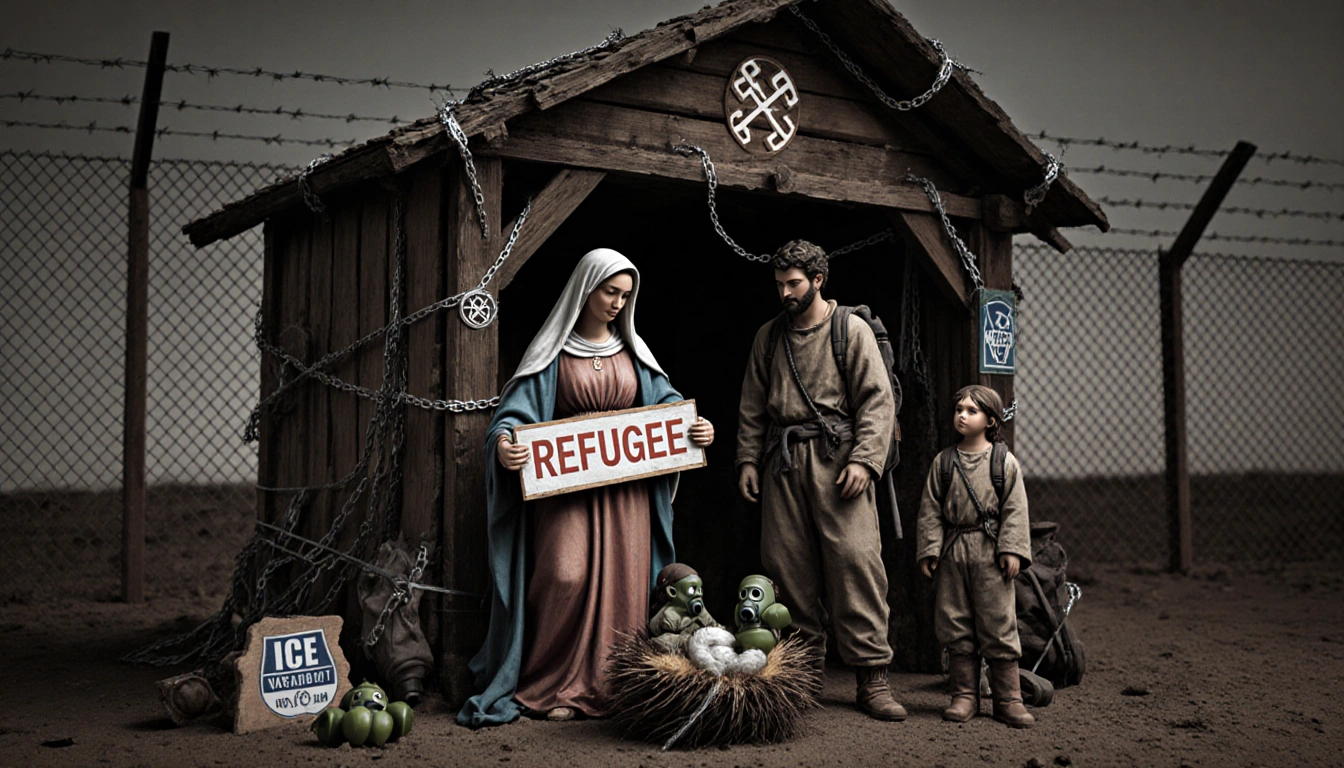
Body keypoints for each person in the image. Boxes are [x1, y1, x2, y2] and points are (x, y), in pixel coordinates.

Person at [457, 248, 714, 727]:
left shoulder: (634, 353)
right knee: (564, 574)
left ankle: (618, 684)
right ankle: (553, 683)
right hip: (566, 490)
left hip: (625, 495)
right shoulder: (552, 353)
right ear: (585, 289)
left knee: (626, 585)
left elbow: (669, 407)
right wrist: (505, 446)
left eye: (625, 295)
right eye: (610, 291)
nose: (618, 303)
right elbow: (511, 419)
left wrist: (697, 429)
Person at [735, 239, 905, 721]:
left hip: (839, 461)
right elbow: (751, 406)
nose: (785, 293)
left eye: (794, 283)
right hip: (783, 463)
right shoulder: (769, 337)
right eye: (779, 284)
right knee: (786, 568)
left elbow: (877, 402)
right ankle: (804, 674)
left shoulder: (848, 330)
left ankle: (872, 678)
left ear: (818, 280)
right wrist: (748, 460)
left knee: (856, 563)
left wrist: (865, 461)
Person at [916, 384, 1034, 728]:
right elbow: (930, 510)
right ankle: (964, 695)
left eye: (972, 411)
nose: (962, 416)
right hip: (955, 551)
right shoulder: (945, 462)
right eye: (959, 410)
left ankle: (1008, 699)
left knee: (998, 621)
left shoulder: (1003, 463)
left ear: (990, 420)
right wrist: (930, 549)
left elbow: (1016, 508)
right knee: (956, 622)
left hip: (990, 552)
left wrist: (1011, 549)